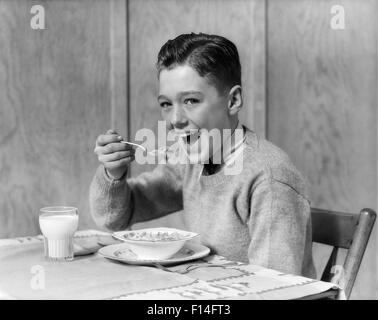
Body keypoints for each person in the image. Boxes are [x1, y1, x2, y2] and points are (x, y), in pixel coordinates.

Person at [89, 33, 316, 278]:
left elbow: (274, 290)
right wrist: (114, 172)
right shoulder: (191, 163)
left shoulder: (269, 178)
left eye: (191, 101)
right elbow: (116, 218)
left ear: (233, 100)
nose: (175, 120)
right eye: (166, 104)